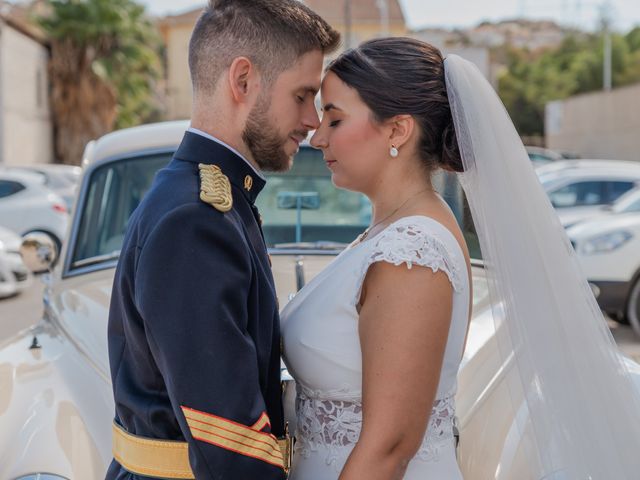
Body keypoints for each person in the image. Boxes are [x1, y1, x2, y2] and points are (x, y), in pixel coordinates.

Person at [281, 37, 640, 480]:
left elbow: (390, 447)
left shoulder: (411, 252)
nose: (317, 137)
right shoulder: (393, 232)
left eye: (334, 119)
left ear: (397, 130)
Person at [106, 1, 339, 478]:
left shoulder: (213, 197)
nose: (312, 119)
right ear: (243, 81)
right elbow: (229, 441)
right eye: (302, 95)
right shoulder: (196, 216)